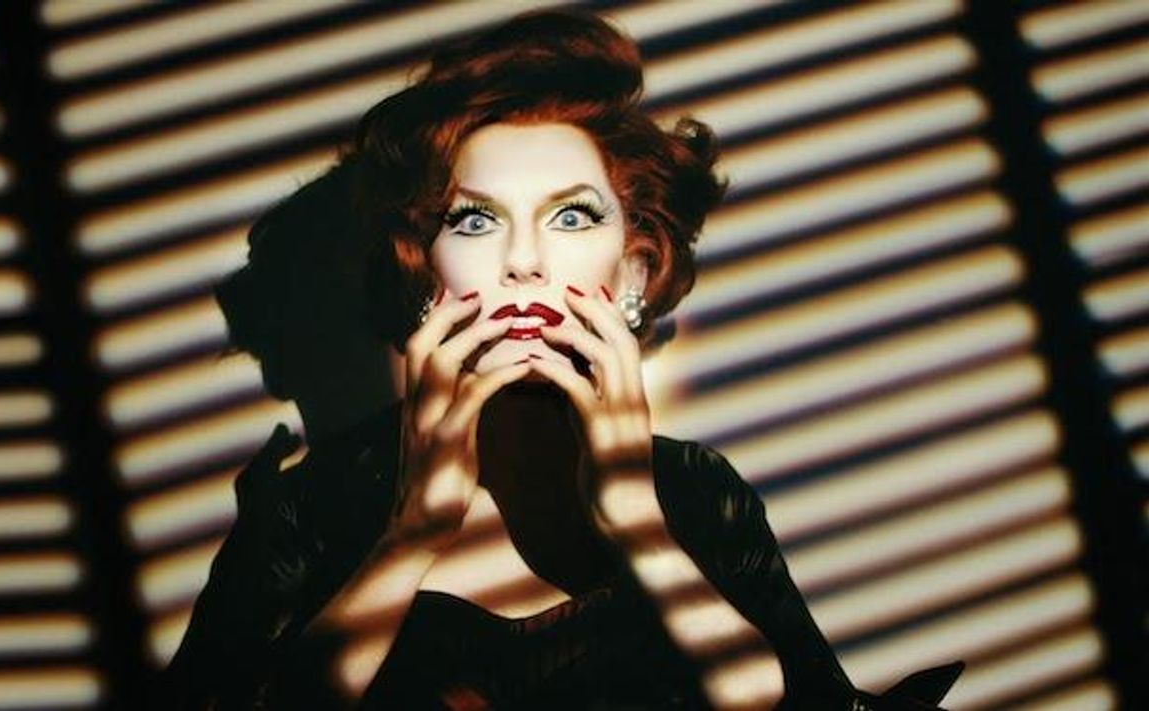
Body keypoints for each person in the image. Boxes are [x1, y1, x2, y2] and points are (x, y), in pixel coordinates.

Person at [160, 9, 963, 710]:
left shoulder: (698, 494)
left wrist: (639, 521)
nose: (524, 262)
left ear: (635, 267)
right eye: (475, 221)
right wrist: (414, 532)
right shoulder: (306, 509)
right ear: (421, 267)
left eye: (572, 216)